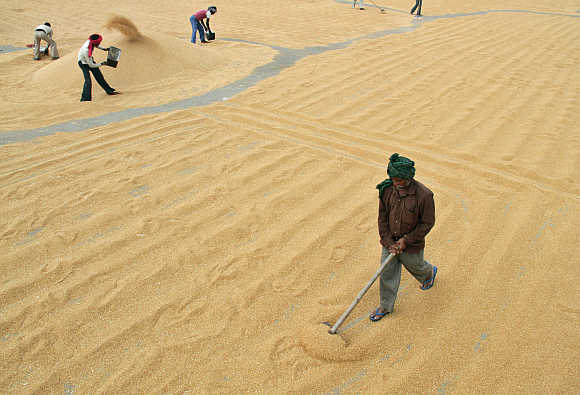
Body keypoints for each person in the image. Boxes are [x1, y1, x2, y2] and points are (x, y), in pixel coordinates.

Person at [370, 153, 437, 322]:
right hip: (390, 242)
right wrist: (388, 242)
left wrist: (406, 241)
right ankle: (385, 306)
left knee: (416, 266)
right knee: (387, 273)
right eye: (394, 179)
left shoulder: (424, 196)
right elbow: (382, 218)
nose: (396, 183)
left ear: (408, 178)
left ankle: (428, 274)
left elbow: (427, 223)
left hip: (412, 243)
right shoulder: (386, 190)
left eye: (399, 180)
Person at [77, 34, 119, 102]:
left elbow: (96, 45)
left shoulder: (91, 42)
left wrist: (104, 49)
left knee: (99, 76)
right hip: (83, 63)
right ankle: (85, 99)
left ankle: (109, 91)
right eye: (99, 42)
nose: (99, 43)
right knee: (88, 81)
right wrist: (102, 64)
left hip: (89, 60)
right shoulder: (86, 50)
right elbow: (91, 65)